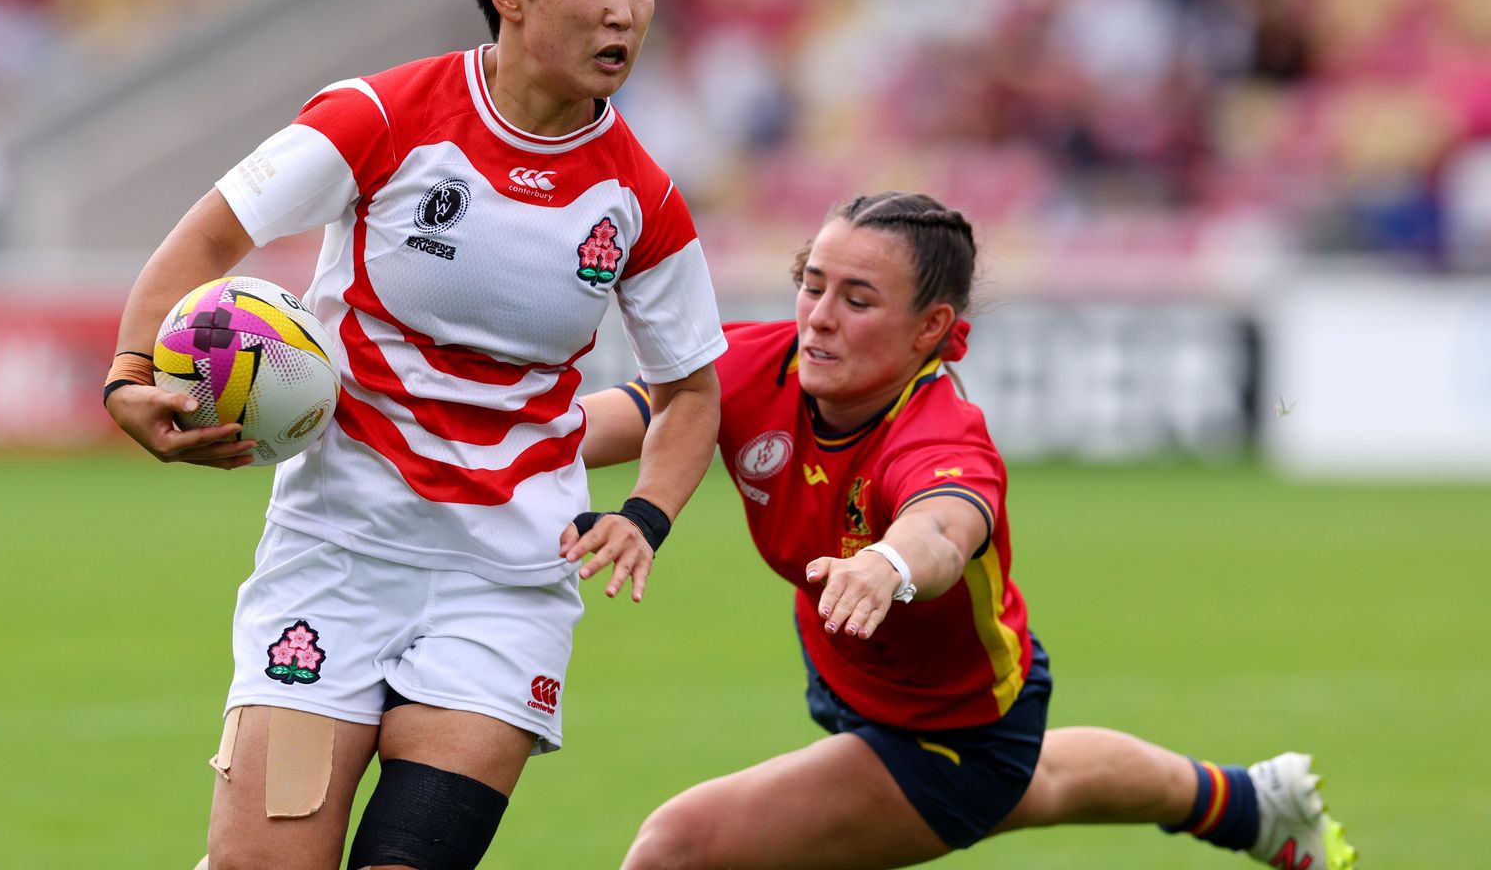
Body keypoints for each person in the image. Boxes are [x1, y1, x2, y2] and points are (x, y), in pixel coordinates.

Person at [102, 0, 725, 870]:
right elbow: (210, 236)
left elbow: (692, 391)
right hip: (336, 554)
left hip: (508, 581)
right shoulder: (379, 117)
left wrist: (650, 516)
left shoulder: (643, 201)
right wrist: (127, 376)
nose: (628, 11)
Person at [577, 191, 1356, 870]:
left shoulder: (942, 435)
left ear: (930, 328)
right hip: (878, 678)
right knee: (1051, 784)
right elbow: (634, 412)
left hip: (950, 737)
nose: (818, 317)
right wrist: (486, 440)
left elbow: (943, 532)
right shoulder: (761, 362)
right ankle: (1253, 804)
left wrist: (887, 564)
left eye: (857, 299)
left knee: (676, 849)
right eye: (812, 285)